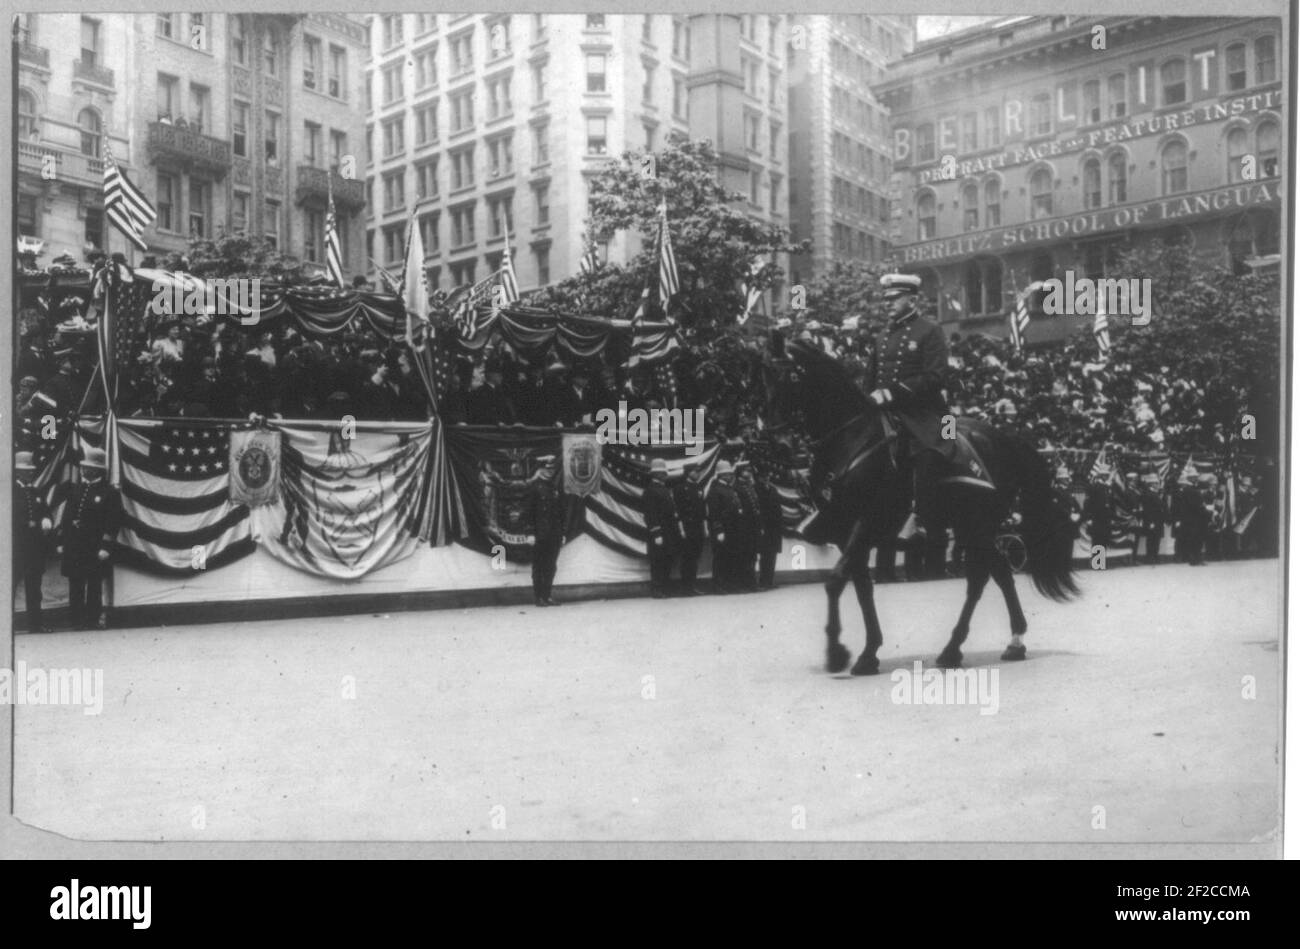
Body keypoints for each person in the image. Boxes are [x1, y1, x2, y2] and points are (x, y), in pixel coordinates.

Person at [863, 273, 952, 575]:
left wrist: (893, 392)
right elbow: (870, 379)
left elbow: (936, 377)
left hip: (921, 413)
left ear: (911, 299)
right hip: (886, 413)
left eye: (894, 298)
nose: (887, 303)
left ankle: (930, 527)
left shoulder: (930, 330)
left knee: (929, 457)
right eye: (886, 298)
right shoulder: (882, 336)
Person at [59, 447, 120, 629]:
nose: (84, 470)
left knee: (94, 584)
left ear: (98, 469)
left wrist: (106, 546)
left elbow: (113, 522)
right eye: (83, 466)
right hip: (74, 546)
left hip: (94, 547)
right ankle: (76, 621)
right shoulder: (76, 489)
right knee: (75, 583)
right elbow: (66, 518)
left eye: (88, 467)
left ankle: (92, 620)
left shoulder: (110, 493)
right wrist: (61, 541)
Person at [14, 452, 53, 633]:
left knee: (34, 589)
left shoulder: (37, 492)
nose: (29, 473)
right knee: (9, 588)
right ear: (17, 471)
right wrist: (26, 524)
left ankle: (35, 625)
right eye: (25, 470)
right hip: (15, 548)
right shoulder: (9, 492)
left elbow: (46, 511)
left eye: (30, 470)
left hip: (34, 549)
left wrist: (47, 519)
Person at [642, 458, 682, 598]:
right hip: (659, 532)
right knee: (658, 562)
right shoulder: (650, 491)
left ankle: (665, 587)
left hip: (669, 531)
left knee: (667, 560)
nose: (665, 475)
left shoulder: (664, 489)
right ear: (655, 474)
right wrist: (656, 532)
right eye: (662, 473)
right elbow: (650, 514)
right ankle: (657, 589)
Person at [530, 455, 564, 606]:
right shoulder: (534, 488)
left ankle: (547, 595)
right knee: (539, 566)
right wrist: (530, 533)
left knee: (551, 566)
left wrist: (562, 533)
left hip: (554, 534)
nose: (549, 472)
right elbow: (528, 512)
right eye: (546, 469)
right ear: (539, 469)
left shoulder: (553, 488)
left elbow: (559, 513)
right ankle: (538, 598)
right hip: (539, 534)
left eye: (551, 469)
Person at [706, 460, 742, 593]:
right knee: (720, 558)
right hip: (723, 530)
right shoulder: (715, 490)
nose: (729, 475)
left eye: (730, 473)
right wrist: (718, 529)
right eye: (726, 474)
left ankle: (728, 584)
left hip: (732, 529)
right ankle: (718, 585)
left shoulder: (729, 489)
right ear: (720, 475)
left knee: (731, 558)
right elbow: (714, 512)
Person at [673, 464, 707, 595]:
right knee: (687, 558)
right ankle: (685, 587)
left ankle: (691, 585)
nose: (698, 474)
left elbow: (702, 510)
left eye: (699, 471)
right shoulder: (680, 488)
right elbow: (678, 511)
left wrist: (704, 528)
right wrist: (681, 529)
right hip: (687, 528)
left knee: (695, 558)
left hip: (698, 528)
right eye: (695, 471)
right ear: (688, 473)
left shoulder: (699, 488)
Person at [732, 465, 761, 591]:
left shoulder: (750, 486)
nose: (748, 472)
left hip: (753, 526)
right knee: (743, 556)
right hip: (743, 526)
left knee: (752, 555)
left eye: (749, 470)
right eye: (746, 470)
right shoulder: (736, 487)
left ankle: (751, 583)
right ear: (739, 472)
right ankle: (743, 584)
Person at [755, 468, 784, 590]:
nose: (766, 478)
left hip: (774, 528)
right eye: (763, 476)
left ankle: (769, 580)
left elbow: (778, 509)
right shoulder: (756, 489)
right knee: (764, 555)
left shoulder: (773, 489)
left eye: (767, 475)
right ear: (759, 477)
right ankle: (763, 581)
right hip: (764, 527)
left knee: (772, 555)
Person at [1137, 473, 1165, 564]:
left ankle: (1155, 556)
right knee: (1151, 540)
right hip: (1152, 521)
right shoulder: (1147, 494)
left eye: (1157, 483)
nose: (1157, 485)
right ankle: (1150, 558)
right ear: (1151, 484)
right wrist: (1151, 521)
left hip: (1158, 521)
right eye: (1156, 483)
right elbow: (1148, 509)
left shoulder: (1156, 494)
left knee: (1156, 540)